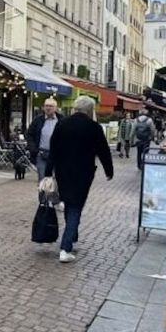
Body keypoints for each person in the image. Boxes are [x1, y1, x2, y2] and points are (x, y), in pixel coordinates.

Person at [46, 95, 114, 263]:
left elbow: (53, 150)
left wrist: (48, 172)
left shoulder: (62, 124)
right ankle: (66, 247)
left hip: (63, 172)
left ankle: (72, 234)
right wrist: (109, 170)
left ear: (75, 108)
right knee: (75, 206)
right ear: (90, 110)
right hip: (83, 173)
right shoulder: (94, 127)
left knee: (70, 203)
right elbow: (103, 151)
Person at [26, 97, 60, 181]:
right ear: (43, 107)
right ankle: (43, 194)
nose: (48, 108)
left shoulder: (62, 120)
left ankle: (55, 194)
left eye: (51, 106)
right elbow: (29, 134)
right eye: (46, 106)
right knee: (43, 180)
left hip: (57, 155)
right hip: (41, 155)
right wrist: (33, 149)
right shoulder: (38, 120)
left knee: (57, 181)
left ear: (55, 108)